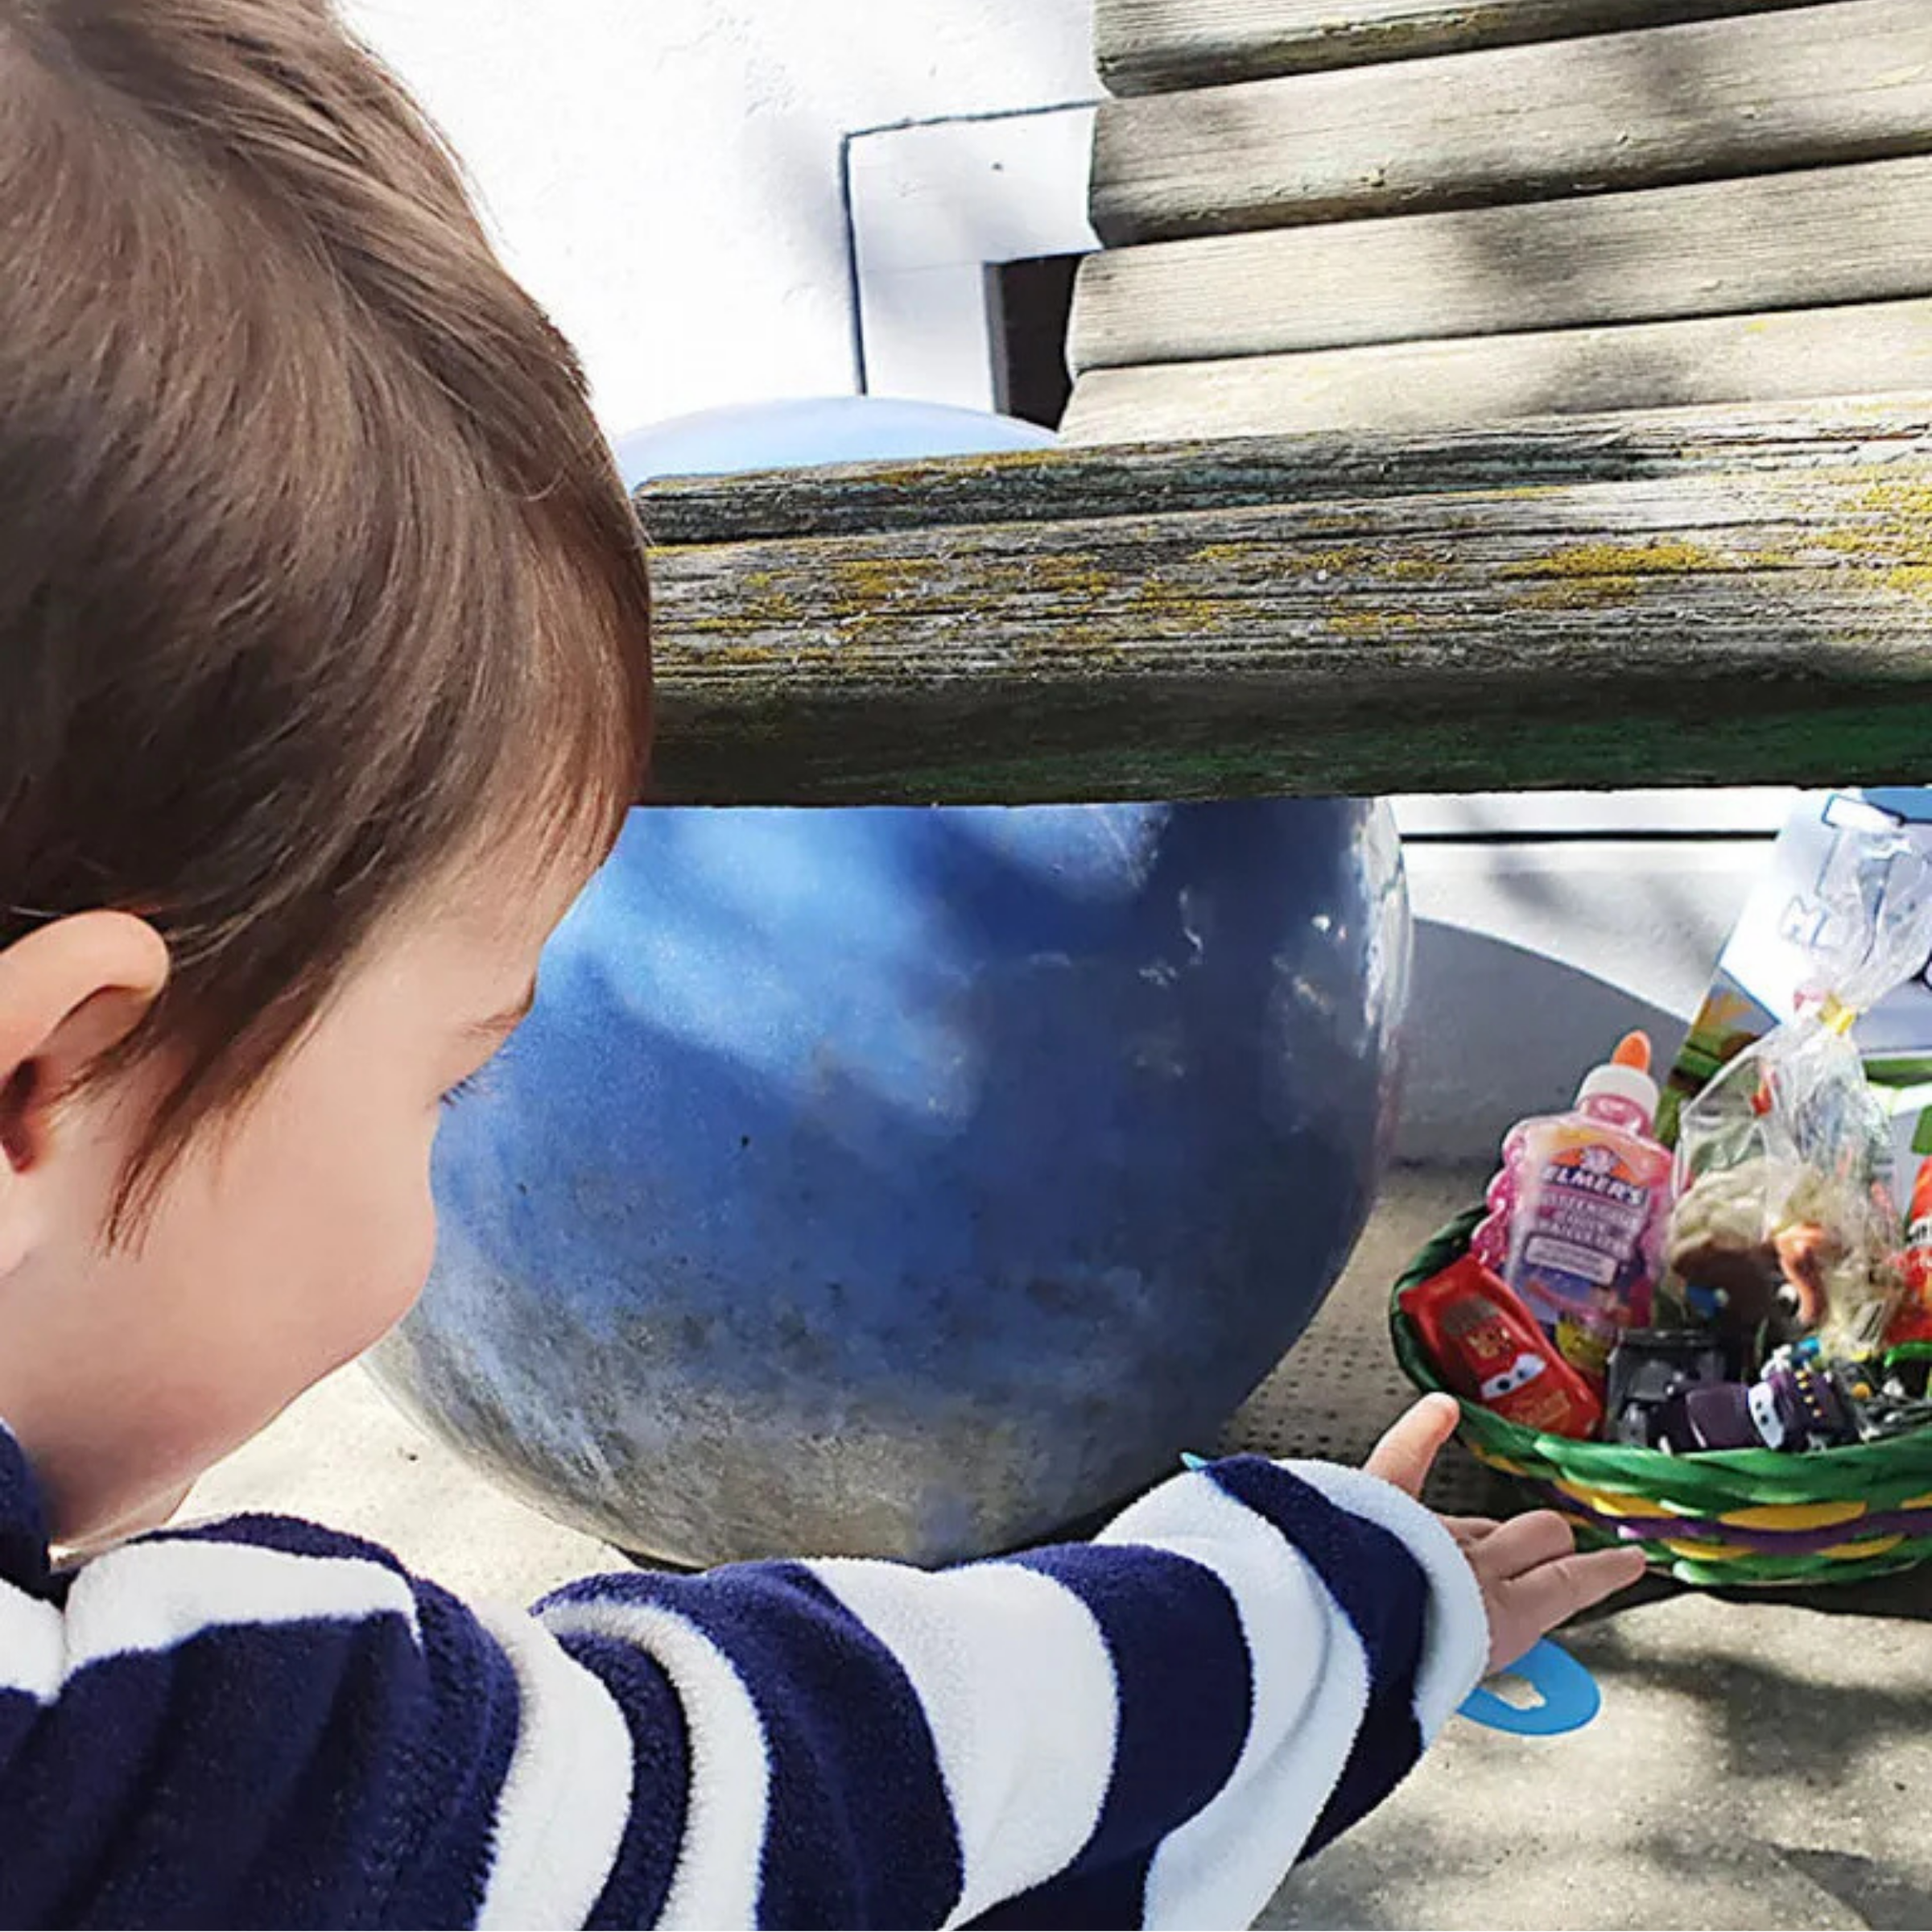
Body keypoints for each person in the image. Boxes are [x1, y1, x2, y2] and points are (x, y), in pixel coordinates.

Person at [0, 4, 1645, 1926]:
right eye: (449, 1079)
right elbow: (779, 1785)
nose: (451, 1171)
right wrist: (1330, 1606)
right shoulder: (183, 1790)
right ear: (47, 1079)